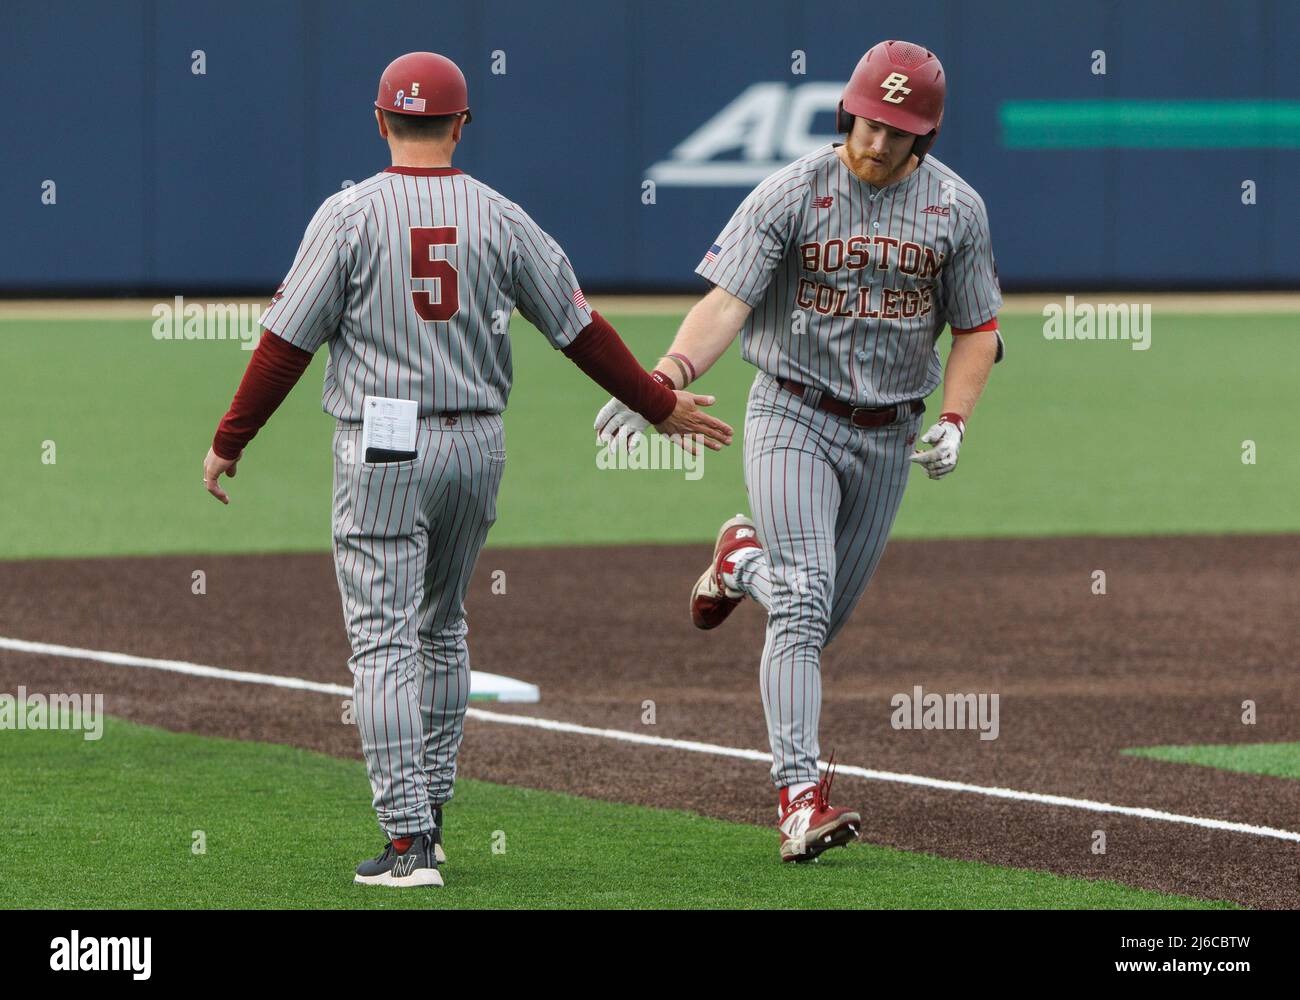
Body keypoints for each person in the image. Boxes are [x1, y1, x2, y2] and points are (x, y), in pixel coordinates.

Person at [203, 51, 731, 888]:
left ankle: (406, 844)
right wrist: (656, 402)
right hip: (477, 442)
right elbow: (579, 329)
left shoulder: (347, 215)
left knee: (382, 644)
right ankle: (433, 820)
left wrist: (232, 437)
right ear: (460, 125)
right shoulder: (499, 215)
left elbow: (284, 344)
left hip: (383, 438)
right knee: (442, 626)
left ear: (379, 121)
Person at [595, 40, 1003, 862]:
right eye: (870, 121)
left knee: (815, 623)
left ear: (926, 137)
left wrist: (955, 418)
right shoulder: (792, 192)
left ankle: (740, 562)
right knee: (807, 598)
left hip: (888, 433)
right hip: (792, 413)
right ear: (846, 110)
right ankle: (797, 796)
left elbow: (978, 331)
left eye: (900, 130)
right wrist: (663, 378)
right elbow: (728, 300)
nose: (879, 142)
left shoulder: (957, 210)